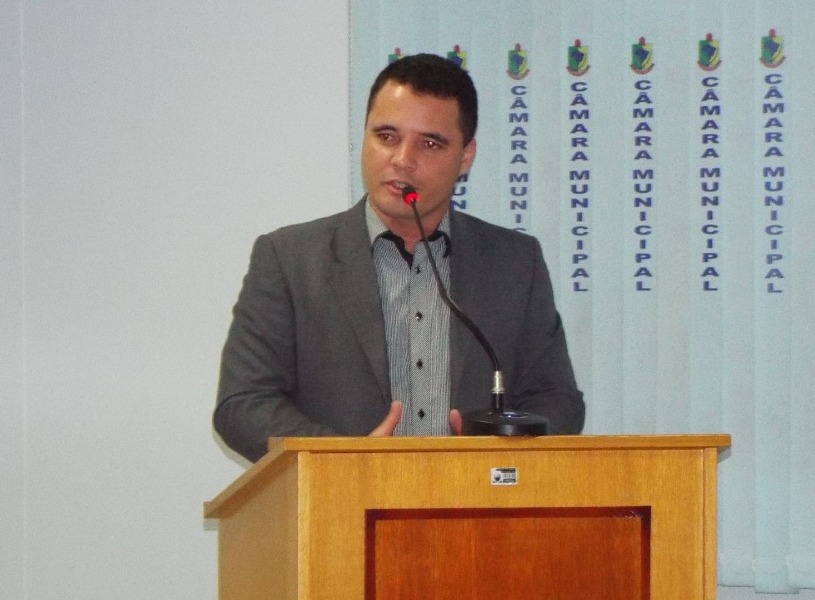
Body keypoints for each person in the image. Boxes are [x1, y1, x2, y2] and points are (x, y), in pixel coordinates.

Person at [214, 53, 584, 462]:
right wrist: (347, 460)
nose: (402, 159)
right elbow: (243, 405)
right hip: (342, 500)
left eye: (430, 143)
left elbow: (558, 400)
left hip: (476, 499)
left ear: (465, 157)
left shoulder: (515, 263)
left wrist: (498, 452)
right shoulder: (289, 260)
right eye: (386, 136)